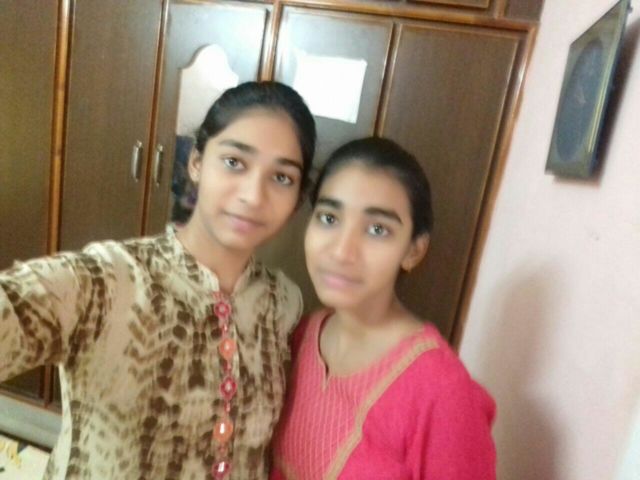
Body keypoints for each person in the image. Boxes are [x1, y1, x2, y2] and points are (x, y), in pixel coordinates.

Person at [0, 81, 316, 480]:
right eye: (235, 162)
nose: (254, 195)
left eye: (282, 177)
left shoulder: (284, 303)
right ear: (196, 162)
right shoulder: (108, 280)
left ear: (298, 197)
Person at [271, 137, 496, 479]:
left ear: (413, 251)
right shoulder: (301, 335)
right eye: (329, 218)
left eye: (377, 229)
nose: (341, 251)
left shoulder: (442, 392)